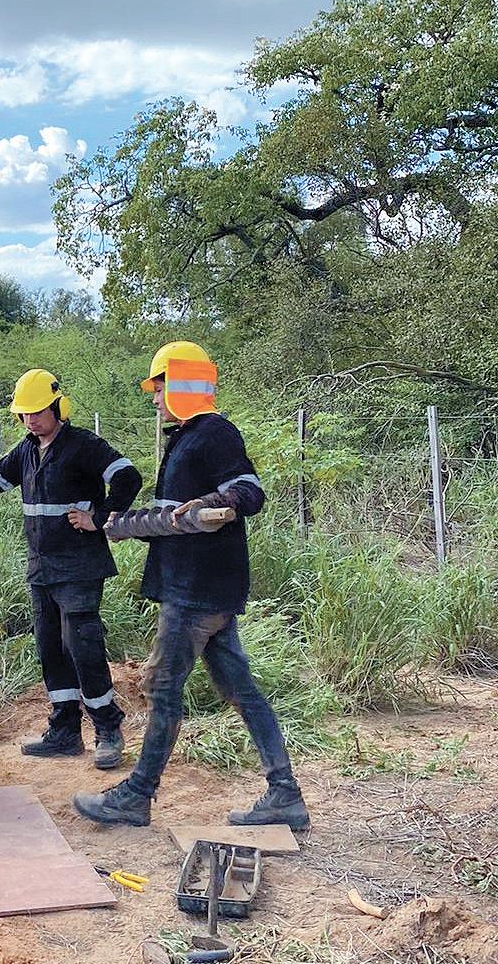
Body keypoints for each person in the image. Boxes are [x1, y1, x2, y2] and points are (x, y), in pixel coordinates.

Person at [71, 342, 310, 829]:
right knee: (241, 690)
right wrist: (126, 525)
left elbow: (249, 491)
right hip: (202, 587)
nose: (154, 398)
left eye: (159, 388)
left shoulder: (215, 433)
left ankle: (137, 795)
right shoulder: (186, 437)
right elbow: (172, 518)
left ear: (180, 384)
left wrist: (216, 501)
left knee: (162, 687)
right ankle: (285, 793)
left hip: (195, 592)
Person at [0, 369, 141, 770]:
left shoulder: (83, 446)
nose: (30, 421)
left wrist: (100, 517)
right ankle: (65, 732)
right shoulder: (26, 451)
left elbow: (128, 477)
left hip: (79, 568)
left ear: (58, 407)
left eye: (37, 412)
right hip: (42, 569)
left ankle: (108, 730)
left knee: (82, 647)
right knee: (51, 648)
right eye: (24, 414)